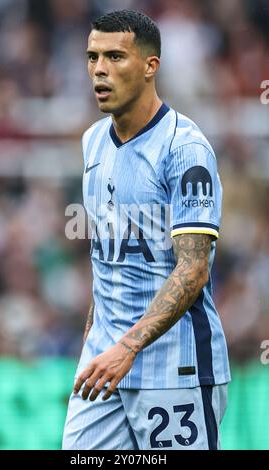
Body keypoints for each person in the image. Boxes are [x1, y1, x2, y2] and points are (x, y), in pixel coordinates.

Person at [62, 10, 230, 450]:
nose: (100, 69)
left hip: (175, 370)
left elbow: (193, 271)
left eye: (115, 56)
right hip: (104, 363)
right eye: (92, 57)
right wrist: (94, 337)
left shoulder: (185, 150)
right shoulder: (92, 141)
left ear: (150, 66)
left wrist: (128, 347)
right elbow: (105, 255)